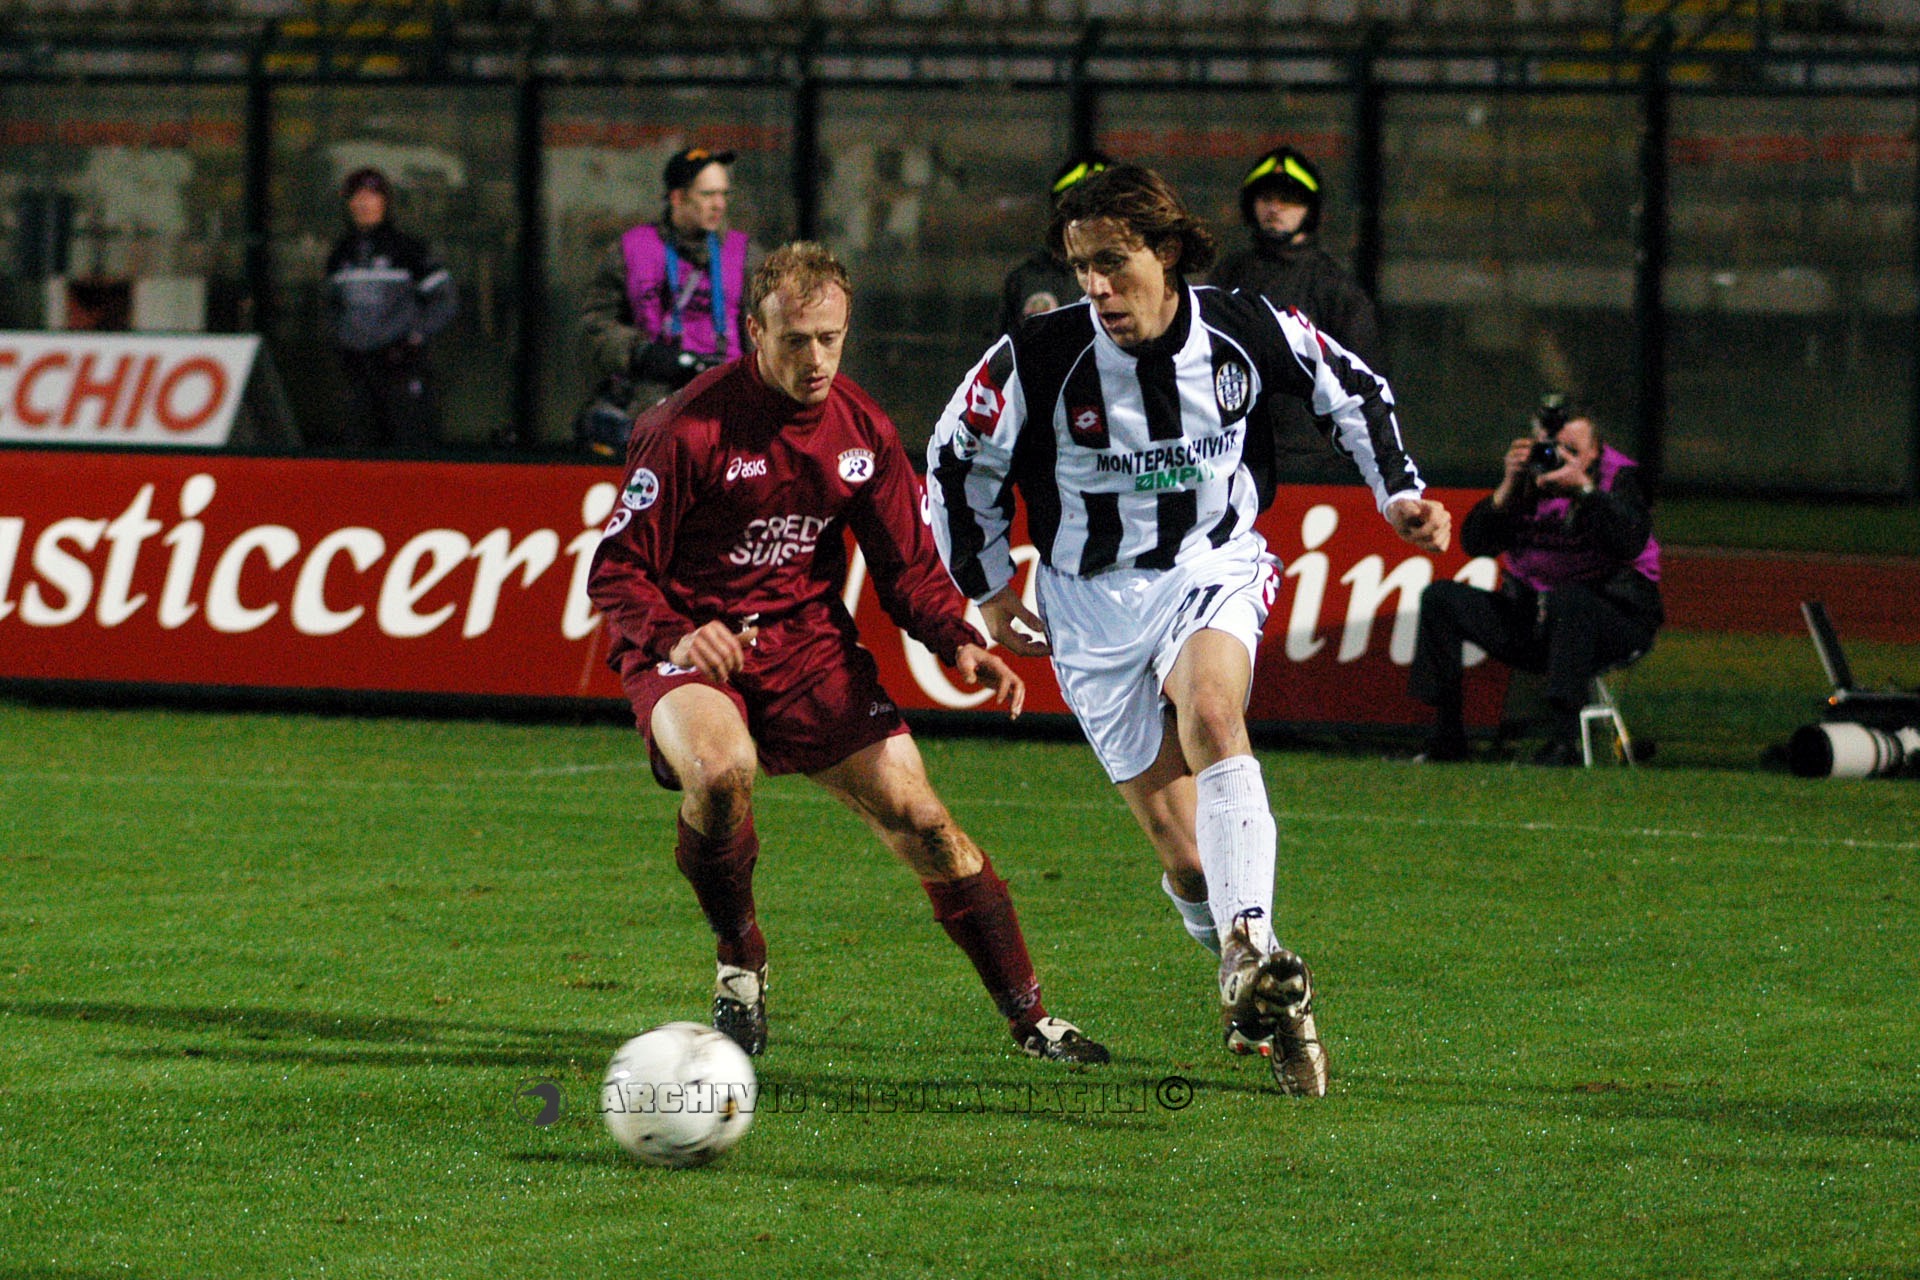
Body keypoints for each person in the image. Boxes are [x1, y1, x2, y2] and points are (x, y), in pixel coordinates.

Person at [926, 164, 1452, 1096]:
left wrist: (1398, 493)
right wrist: (991, 588)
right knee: (1187, 858)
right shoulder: (1039, 355)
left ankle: (1249, 942)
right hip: (1088, 608)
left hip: (1210, 566)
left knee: (1213, 714)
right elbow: (955, 457)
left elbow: (1351, 389)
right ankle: (1268, 991)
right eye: (1082, 266)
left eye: (1113, 262)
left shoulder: (1243, 328)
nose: (1096, 286)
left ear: (1167, 253)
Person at [586, 241, 1107, 1065]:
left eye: (830, 338)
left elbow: (908, 569)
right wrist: (678, 634)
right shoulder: (685, 428)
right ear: (754, 331)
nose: (817, 358)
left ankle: (1031, 1019)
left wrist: (958, 641)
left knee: (926, 822)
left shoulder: (862, 428)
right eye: (796, 340)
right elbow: (616, 571)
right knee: (720, 773)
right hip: (690, 643)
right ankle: (740, 959)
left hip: (806, 648)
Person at [1408, 395, 1664, 766]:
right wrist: (1508, 488)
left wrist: (1584, 491)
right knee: (1441, 599)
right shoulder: (1527, 479)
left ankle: (1564, 744)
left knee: (1569, 601)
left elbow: (1629, 541)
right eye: (1550, 447)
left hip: (1614, 620)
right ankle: (1446, 739)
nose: (1558, 457)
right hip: (1534, 617)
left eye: (1572, 451)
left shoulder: (1621, 478)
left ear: (1596, 452)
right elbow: (1475, 544)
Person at [1210, 145, 1383, 482]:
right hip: (1231, 457)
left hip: (1314, 467)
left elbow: (1365, 381)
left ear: (1310, 210)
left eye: (1288, 199)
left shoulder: (1334, 286)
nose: (1274, 208)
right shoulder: (1229, 274)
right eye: (1265, 198)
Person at [577, 146, 758, 458]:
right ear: (677, 197)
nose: (719, 204)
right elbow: (594, 326)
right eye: (707, 194)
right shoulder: (632, 250)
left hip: (728, 411)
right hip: (652, 409)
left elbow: (769, 334)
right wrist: (641, 352)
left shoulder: (746, 254)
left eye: (723, 194)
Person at [324, 167, 457, 451]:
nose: (363, 203)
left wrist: (415, 336)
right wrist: (340, 340)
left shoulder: (408, 249)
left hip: (400, 366)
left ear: (385, 202)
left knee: (407, 445)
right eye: (357, 197)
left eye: (371, 196)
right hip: (357, 369)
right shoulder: (340, 253)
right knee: (360, 447)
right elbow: (331, 306)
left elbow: (444, 300)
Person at [994, 151, 1113, 338]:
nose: (1095, 287)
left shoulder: (1137, 271)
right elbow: (1008, 349)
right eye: (1077, 213)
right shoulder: (1028, 278)